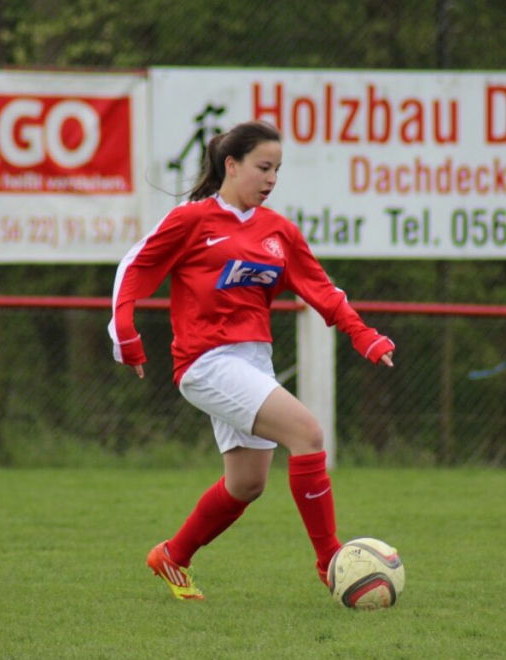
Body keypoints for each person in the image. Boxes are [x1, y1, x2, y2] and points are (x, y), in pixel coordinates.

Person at [108, 120, 395, 601]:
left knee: (246, 484)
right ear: (232, 165)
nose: (272, 179)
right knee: (308, 434)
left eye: (278, 170)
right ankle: (331, 562)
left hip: (252, 363)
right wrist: (125, 334)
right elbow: (134, 267)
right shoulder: (191, 220)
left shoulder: (278, 231)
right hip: (206, 362)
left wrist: (363, 335)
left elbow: (322, 289)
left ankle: (173, 556)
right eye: (264, 167)